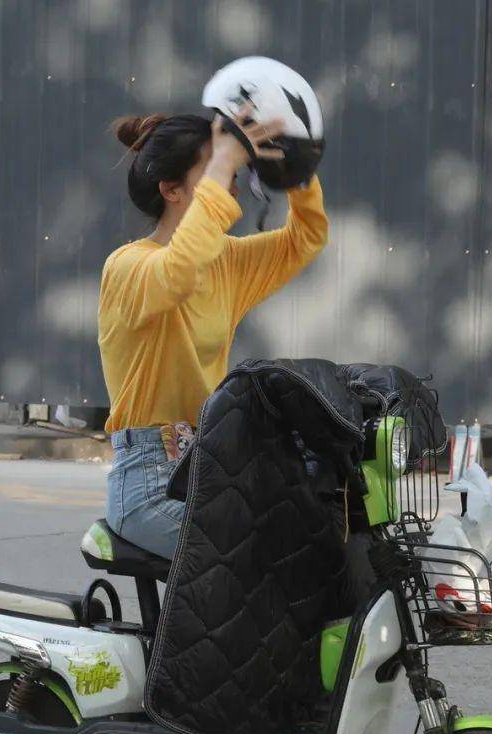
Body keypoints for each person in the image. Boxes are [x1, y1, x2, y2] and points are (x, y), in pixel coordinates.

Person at [98, 109, 329, 559]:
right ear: (172, 190)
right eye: (216, 164)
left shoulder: (225, 260)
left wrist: (295, 167)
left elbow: (306, 237)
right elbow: (177, 273)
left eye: (233, 163)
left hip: (209, 467)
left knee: (318, 539)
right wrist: (224, 158)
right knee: (262, 559)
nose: (235, 172)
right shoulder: (127, 267)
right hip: (148, 485)